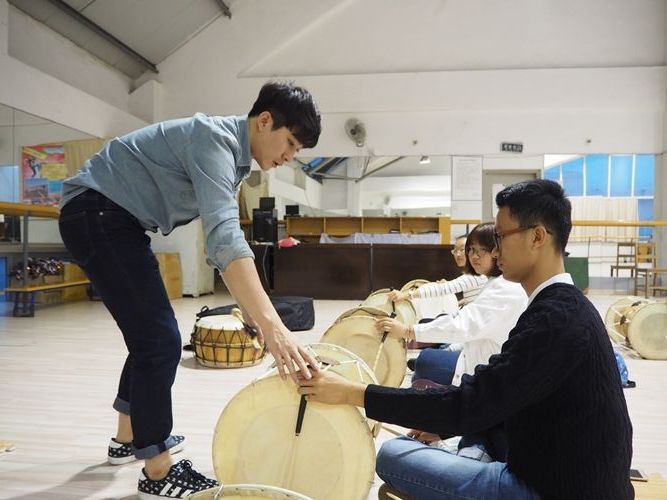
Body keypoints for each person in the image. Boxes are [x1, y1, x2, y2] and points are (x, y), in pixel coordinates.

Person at [58, 81, 321, 499]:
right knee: (159, 340)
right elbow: (225, 239)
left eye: (297, 150)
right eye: (290, 142)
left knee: (149, 336)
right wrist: (274, 328)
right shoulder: (214, 141)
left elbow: (223, 244)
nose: (290, 156)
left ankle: (127, 438)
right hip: (97, 213)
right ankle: (158, 472)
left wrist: (258, 315)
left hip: (108, 217)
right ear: (264, 120)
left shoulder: (233, 158)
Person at [298, 179, 633, 500]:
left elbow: (468, 404)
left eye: (501, 236)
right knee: (449, 419)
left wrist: (351, 392)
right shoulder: (567, 305)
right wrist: (444, 427)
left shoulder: (553, 319)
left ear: (537, 237)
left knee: (392, 454)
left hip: (544, 490)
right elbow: (500, 395)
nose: (495, 251)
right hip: (568, 476)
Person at [377, 223, 527, 387]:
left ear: (498, 250)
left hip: (485, 363)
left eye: (481, 250)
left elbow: (462, 320)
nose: (472, 256)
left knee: (426, 357)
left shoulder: (501, 286)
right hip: (475, 348)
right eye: (470, 250)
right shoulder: (493, 280)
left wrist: (408, 329)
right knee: (432, 337)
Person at [390, 234, 487, 308]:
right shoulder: (473, 274)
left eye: (462, 249)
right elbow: (472, 299)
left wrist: (405, 295)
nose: (457, 254)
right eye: (455, 250)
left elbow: (442, 289)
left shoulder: (476, 274)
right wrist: (457, 302)